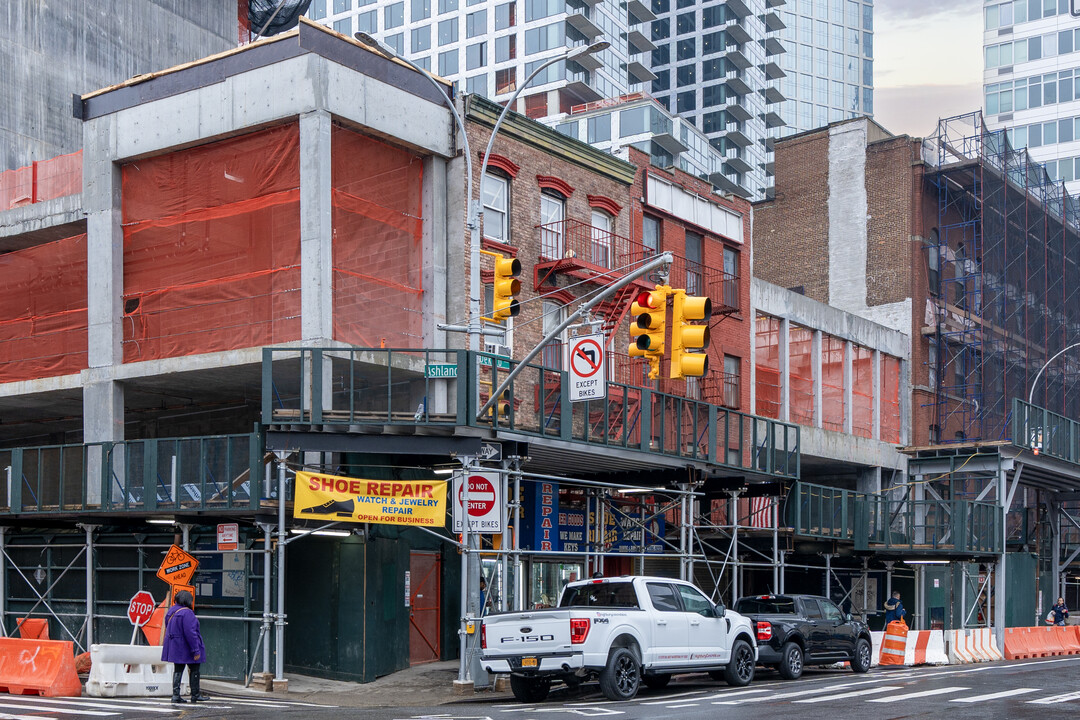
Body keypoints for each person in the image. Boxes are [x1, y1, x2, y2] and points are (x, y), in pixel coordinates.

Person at [161, 590, 209, 704]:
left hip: (175, 646)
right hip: (186, 647)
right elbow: (190, 633)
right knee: (195, 669)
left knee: (178, 669)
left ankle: (176, 695)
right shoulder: (187, 613)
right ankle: (195, 694)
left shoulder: (172, 611)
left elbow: (168, 626)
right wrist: (196, 650)